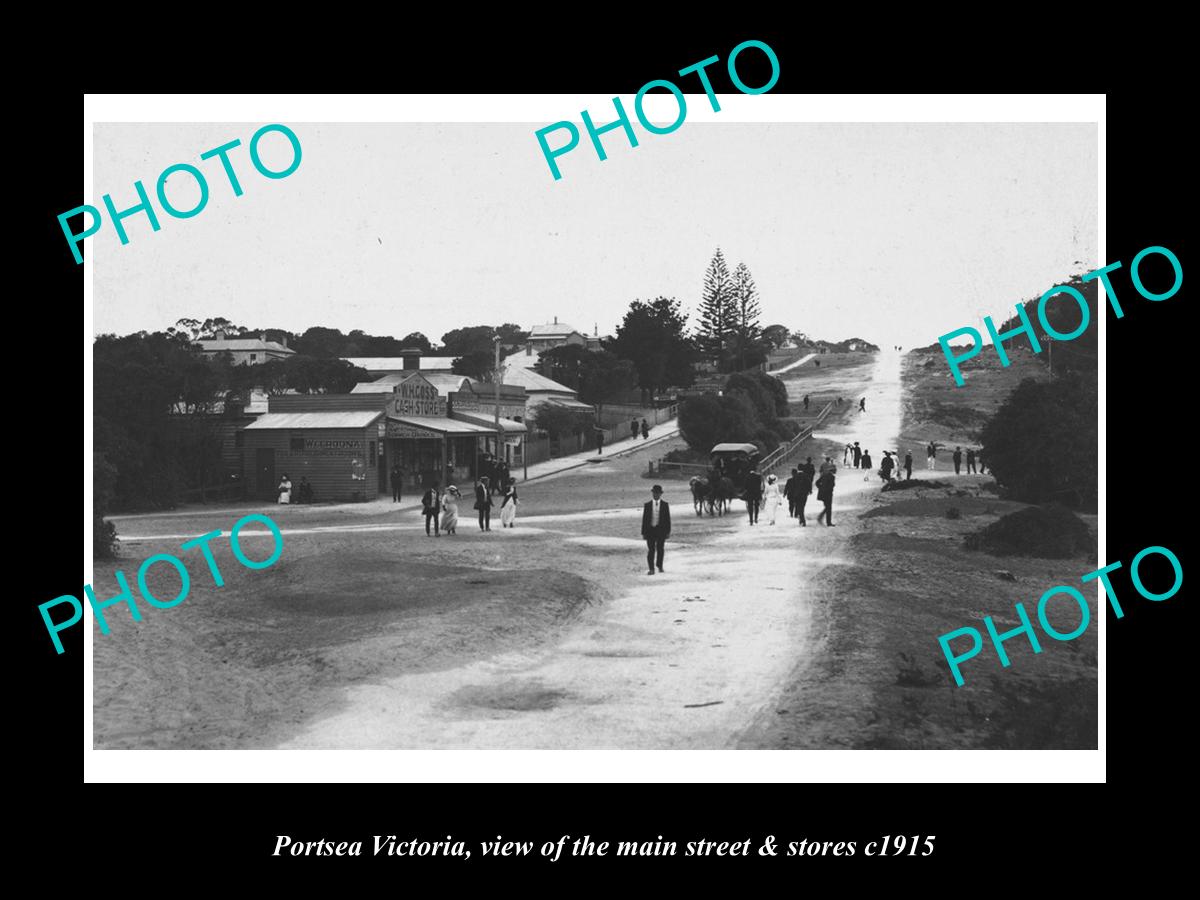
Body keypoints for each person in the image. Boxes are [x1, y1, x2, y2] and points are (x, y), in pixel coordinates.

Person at [641, 484, 671, 575]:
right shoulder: (647, 505)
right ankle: (651, 568)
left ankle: (659, 565)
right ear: (652, 494)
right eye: (654, 493)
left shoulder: (665, 505)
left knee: (660, 549)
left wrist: (668, 532)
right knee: (651, 550)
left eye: (658, 493)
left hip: (661, 530)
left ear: (660, 494)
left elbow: (667, 519)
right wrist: (643, 532)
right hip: (650, 530)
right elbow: (645, 519)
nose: (656, 495)